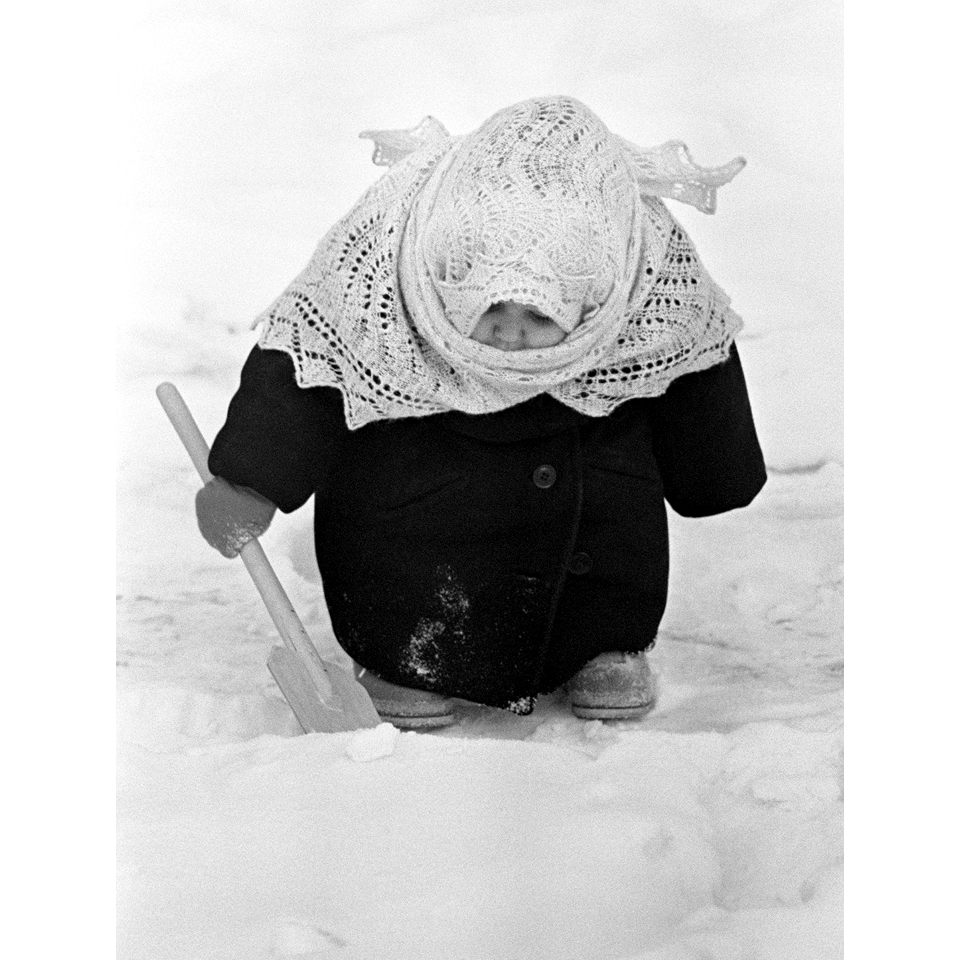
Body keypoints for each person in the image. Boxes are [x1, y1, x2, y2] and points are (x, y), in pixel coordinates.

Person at [195, 96, 767, 730]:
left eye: (536, 317)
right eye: (492, 311)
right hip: (411, 506)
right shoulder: (387, 255)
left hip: (590, 512)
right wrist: (250, 479)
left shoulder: (643, 265)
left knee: (608, 546)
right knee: (407, 567)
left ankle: (603, 646)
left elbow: (693, 352)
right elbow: (314, 356)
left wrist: (716, 469)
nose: (510, 338)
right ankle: (401, 659)